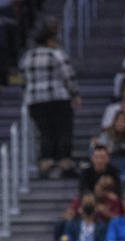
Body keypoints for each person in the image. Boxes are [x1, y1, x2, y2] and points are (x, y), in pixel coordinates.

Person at [20, 27, 79, 178]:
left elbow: (23, 80)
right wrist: (75, 93)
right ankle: (65, 164)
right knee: (63, 130)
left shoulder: (27, 57)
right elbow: (68, 75)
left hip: (35, 100)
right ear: (49, 41)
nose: (57, 44)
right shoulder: (56, 54)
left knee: (45, 132)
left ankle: (45, 165)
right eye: (55, 41)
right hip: (57, 97)